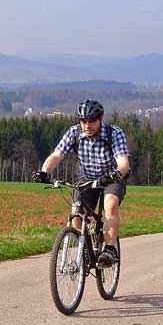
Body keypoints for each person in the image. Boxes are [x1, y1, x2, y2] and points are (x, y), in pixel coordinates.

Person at [32, 99, 130, 267]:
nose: (87, 125)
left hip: (111, 178)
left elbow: (123, 163)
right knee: (76, 211)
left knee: (110, 204)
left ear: (101, 118)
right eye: (83, 121)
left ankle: (109, 249)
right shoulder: (74, 133)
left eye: (92, 120)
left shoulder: (114, 133)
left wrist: (114, 175)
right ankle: (85, 247)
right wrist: (44, 171)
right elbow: (57, 155)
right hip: (87, 180)